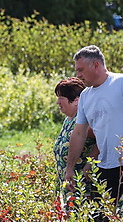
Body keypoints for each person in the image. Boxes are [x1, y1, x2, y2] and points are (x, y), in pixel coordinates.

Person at [64, 45, 123, 222]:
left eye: (81, 69)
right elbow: (79, 134)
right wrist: (70, 168)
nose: (78, 75)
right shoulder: (85, 96)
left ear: (95, 65)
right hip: (107, 166)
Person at [53, 77, 97, 210]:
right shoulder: (68, 119)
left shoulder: (85, 120)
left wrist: (90, 163)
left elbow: (102, 141)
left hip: (82, 185)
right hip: (68, 183)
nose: (58, 102)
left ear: (77, 100)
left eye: (62, 97)